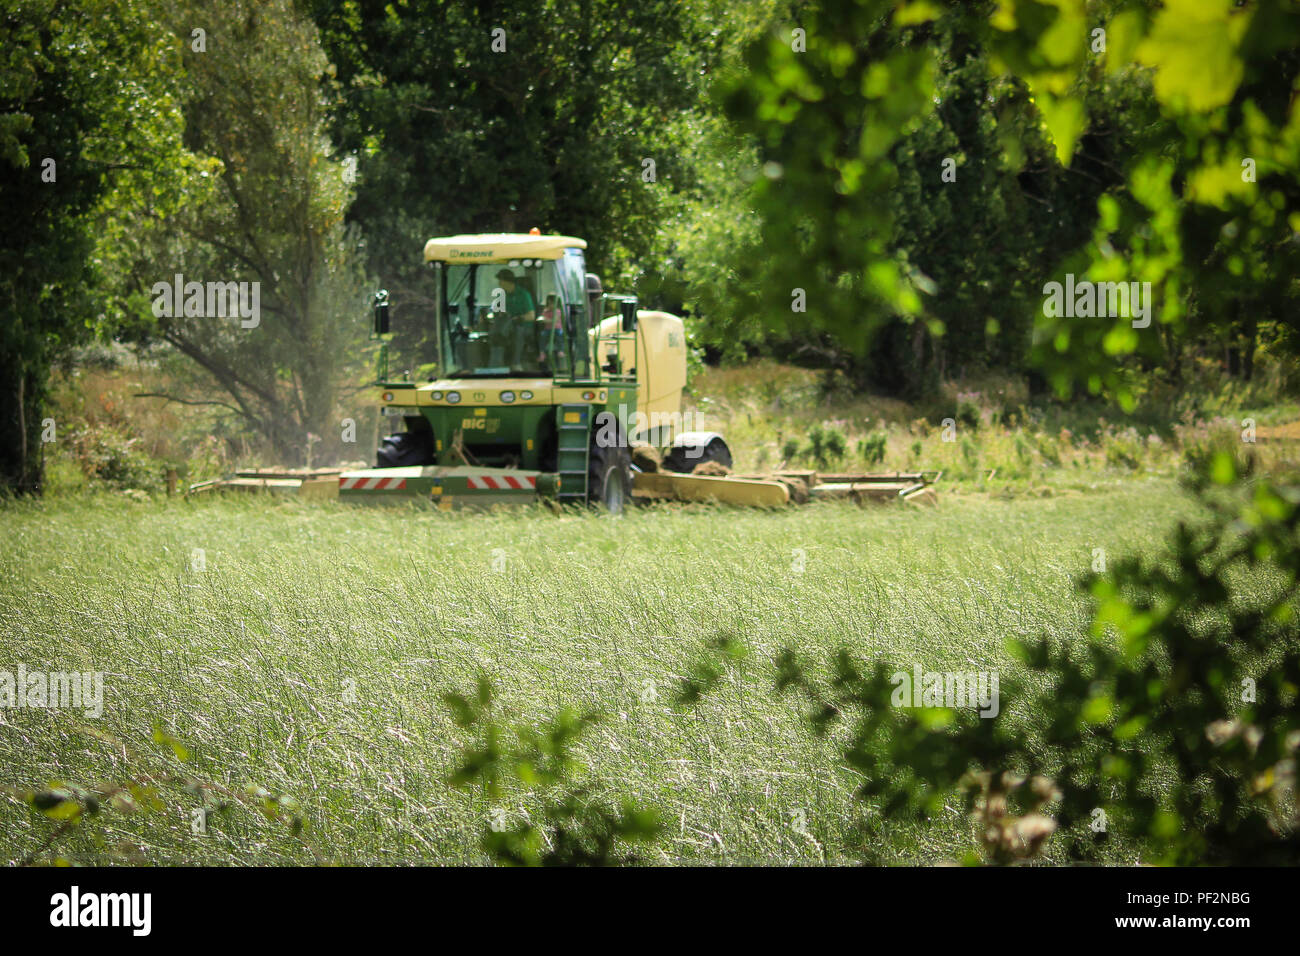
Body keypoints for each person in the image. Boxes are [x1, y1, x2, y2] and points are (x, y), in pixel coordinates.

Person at [490, 269, 535, 365]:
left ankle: (516, 363)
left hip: (523, 325)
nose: (499, 284)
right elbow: (499, 311)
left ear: (507, 281)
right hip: (507, 324)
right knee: (495, 332)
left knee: (517, 331)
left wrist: (518, 318)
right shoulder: (502, 295)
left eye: (500, 281)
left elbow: (531, 316)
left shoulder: (523, 294)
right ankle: (495, 364)